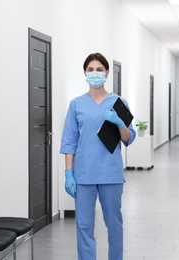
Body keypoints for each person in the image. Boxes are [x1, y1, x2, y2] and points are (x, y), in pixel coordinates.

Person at [60, 52, 136, 260]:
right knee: (83, 227)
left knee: (114, 226)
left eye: (99, 69)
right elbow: (69, 142)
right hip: (83, 175)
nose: (95, 73)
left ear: (107, 72)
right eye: (90, 70)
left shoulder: (119, 102)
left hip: (110, 174)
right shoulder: (76, 104)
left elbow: (129, 139)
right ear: (84, 73)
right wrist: (69, 174)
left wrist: (120, 123)